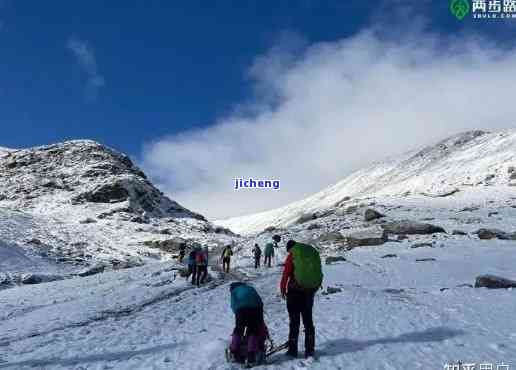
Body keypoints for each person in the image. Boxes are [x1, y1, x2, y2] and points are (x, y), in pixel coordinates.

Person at [280, 240, 323, 358]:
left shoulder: (292, 255)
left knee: (294, 321)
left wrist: (283, 289)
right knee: (308, 321)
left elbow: (286, 274)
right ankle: (310, 350)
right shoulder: (309, 252)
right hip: (309, 292)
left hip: (294, 292)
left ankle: (293, 350)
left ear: (290, 248)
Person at [228, 282, 267, 366]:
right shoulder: (250, 288)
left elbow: (233, 305)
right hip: (256, 308)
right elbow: (260, 301)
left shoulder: (234, 291)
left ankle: (233, 351)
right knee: (253, 330)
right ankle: (251, 354)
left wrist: (239, 316)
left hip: (241, 309)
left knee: (239, 329)